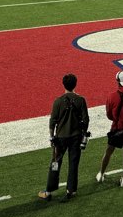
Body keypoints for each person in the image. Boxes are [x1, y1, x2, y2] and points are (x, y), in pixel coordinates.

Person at [38, 73, 90, 202]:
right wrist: (83, 134)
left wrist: (52, 137)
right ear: (75, 84)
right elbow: (86, 120)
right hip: (76, 137)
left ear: (63, 85)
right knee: (73, 164)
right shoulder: (81, 100)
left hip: (60, 138)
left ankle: (49, 191)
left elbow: (52, 122)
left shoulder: (58, 101)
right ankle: (70, 190)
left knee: (55, 163)